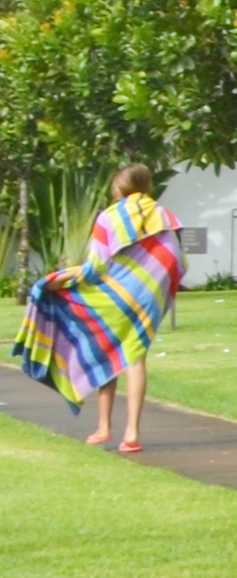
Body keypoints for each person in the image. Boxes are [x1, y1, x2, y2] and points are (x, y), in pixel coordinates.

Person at [15, 163, 183, 453]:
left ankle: (104, 426)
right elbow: (174, 259)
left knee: (107, 349)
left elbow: (94, 268)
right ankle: (131, 433)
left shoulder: (110, 217)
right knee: (135, 358)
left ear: (118, 187)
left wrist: (58, 280)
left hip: (113, 297)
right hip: (146, 297)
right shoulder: (163, 216)